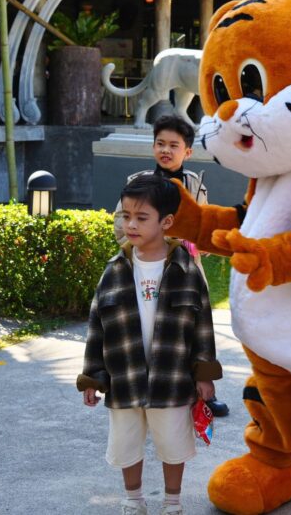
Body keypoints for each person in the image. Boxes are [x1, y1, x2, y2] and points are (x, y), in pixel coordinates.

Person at [79, 175, 222, 515]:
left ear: (166, 222)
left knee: (173, 443)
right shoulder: (114, 270)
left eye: (141, 218)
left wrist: (204, 374)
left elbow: (202, 325)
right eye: (126, 216)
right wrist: (92, 376)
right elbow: (97, 326)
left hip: (172, 378)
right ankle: (134, 500)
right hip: (124, 376)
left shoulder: (186, 270)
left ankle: (172, 502)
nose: (130, 224)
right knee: (126, 443)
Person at [113, 114, 229, 419]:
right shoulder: (137, 183)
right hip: (147, 270)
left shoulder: (194, 184)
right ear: (153, 147)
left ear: (187, 152)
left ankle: (203, 392)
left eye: (173, 145)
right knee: (147, 327)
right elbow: (121, 226)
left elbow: (203, 224)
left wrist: (200, 241)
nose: (166, 150)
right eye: (160, 143)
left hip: (187, 270)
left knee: (195, 328)